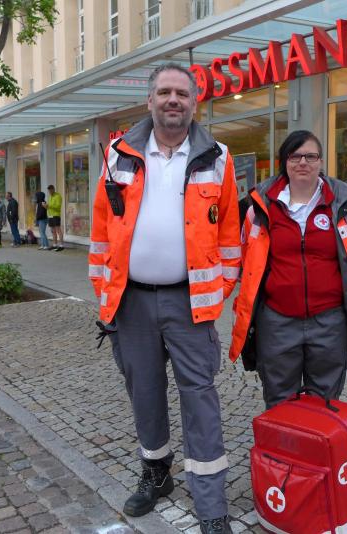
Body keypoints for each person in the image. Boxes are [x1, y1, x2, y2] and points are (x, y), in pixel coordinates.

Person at [88, 62, 240, 534]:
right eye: (164, 92)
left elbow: (230, 235)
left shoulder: (217, 156)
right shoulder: (118, 154)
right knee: (145, 394)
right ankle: (156, 473)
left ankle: (211, 503)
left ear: (194, 102)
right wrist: (106, 294)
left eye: (182, 93)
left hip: (190, 303)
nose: (173, 100)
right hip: (132, 302)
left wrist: (215, 291)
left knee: (200, 399)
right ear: (150, 100)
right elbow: (101, 229)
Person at [229, 130, 347, 408]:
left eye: (310, 156)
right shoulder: (259, 207)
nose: (303, 162)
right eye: (295, 156)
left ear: (320, 161)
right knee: (279, 399)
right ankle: (283, 438)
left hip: (329, 321)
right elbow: (249, 258)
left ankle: (317, 437)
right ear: (285, 161)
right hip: (277, 321)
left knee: (325, 401)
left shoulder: (342, 204)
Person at [46, 184, 64, 251]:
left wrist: (49, 206)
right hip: (50, 215)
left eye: (50, 191)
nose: (50, 192)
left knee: (58, 230)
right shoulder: (50, 197)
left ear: (53, 189)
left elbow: (58, 206)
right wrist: (46, 206)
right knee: (53, 231)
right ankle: (55, 244)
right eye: (49, 191)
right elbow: (49, 206)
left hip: (56, 215)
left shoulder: (58, 196)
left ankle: (61, 245)